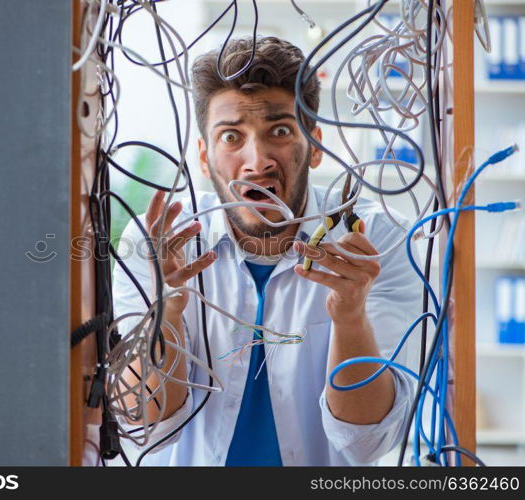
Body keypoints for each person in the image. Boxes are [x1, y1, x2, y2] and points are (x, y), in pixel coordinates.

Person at [111, 36, 422, 466]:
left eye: (279, 131)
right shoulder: (161, 242)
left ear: (313, 146)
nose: (257, 161)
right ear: (204, 158)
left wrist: (350, 316)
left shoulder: (376, 240)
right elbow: (145, 428)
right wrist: (167, 313)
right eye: (231, 137)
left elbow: (365, 443)